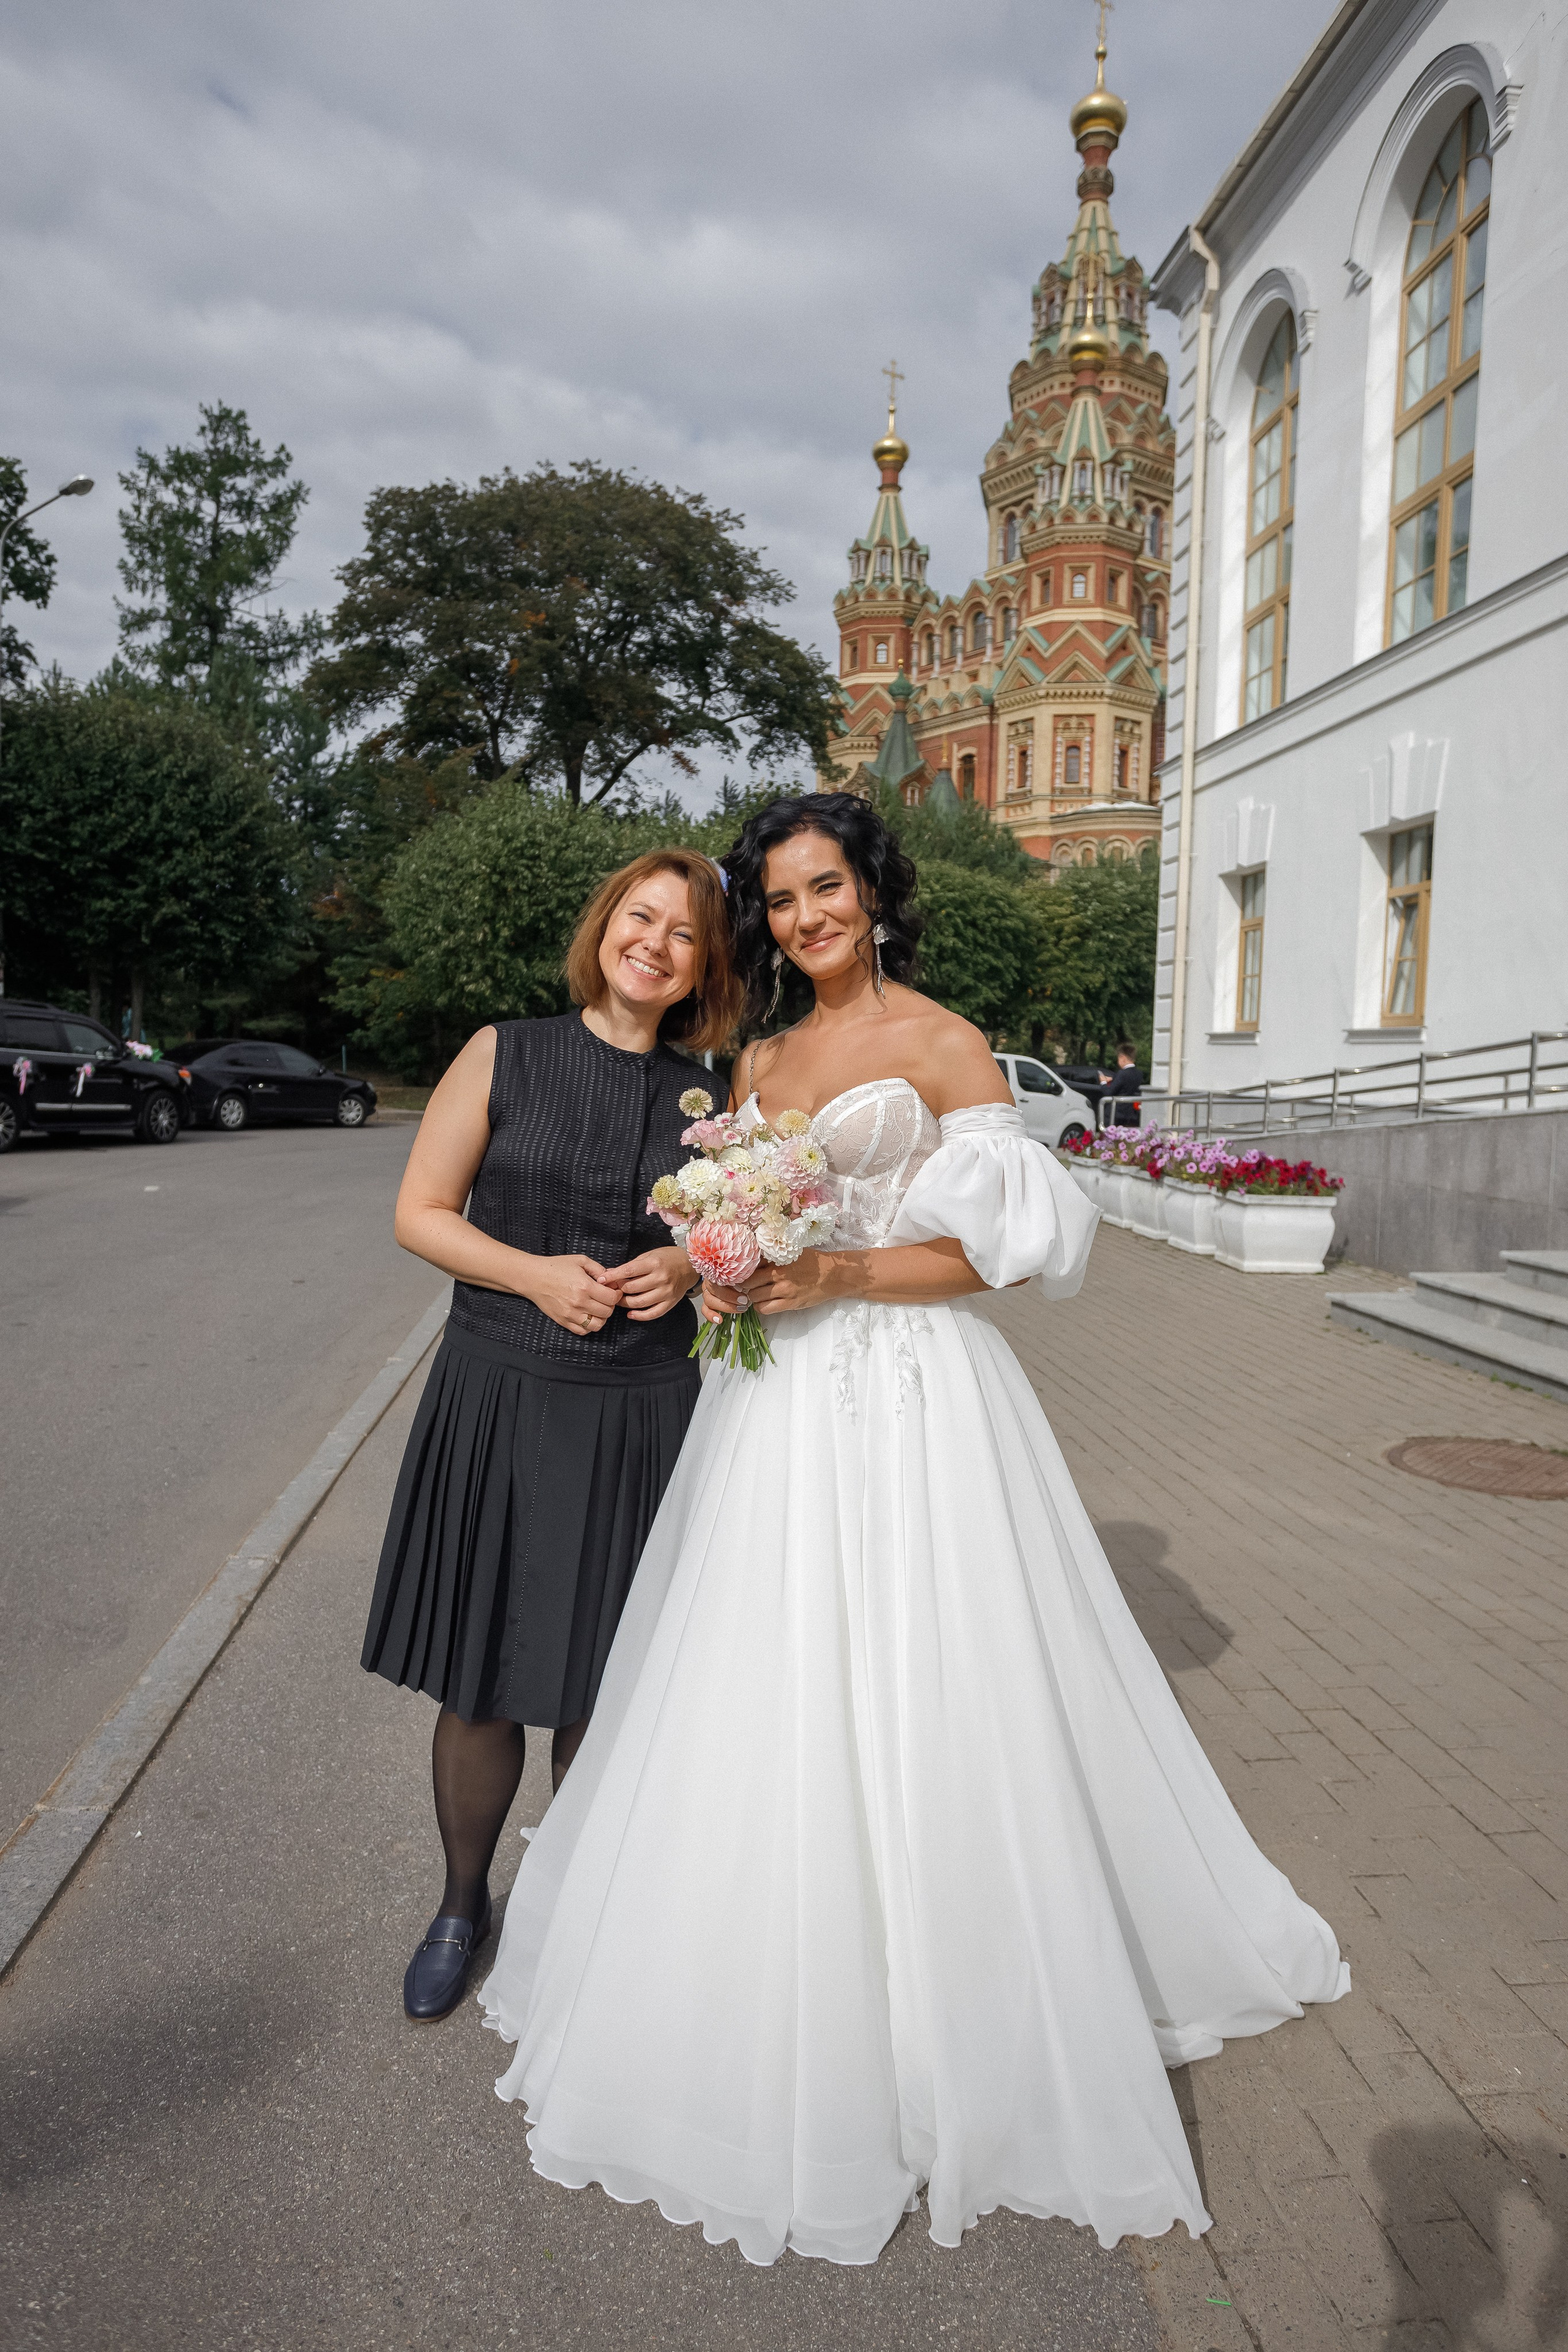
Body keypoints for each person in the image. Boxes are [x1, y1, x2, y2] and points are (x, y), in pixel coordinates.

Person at [479, 794, 1348, 2264]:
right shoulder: (752, 1054)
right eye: (780, 897)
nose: (805, 915)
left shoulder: (942, 1042)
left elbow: (1001, 1259)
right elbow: (735, 1234)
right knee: (768, 1678)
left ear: (871, 891)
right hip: (771, 1412)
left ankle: (967, 2008)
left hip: (915, 1393)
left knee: (939, 1668)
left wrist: (835, 1277)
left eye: (825, 887)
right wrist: (711, 1272)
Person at [362, 850, 741, 2021]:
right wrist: (532, 1276)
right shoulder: (504, 1050)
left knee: (603, 1692)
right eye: (642, 918)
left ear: (702, 965)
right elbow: (419, 1214)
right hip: (504, 1395)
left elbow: (734, 1245)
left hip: (644, 1411)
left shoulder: (716, 1095)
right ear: (606, 927)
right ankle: (461, 1903)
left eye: (684, 934)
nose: (656, 945)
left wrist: (687, 1261)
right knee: (482, 1680)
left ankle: (575, 1910)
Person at [1099, 1042, 1144, 1127]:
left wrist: (1103, 1082)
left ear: (1123, 1058)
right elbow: (1127, 1082)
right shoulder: (1139, 1073)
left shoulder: (1122, 1074)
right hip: (1130, 1113)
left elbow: (1109, 1092)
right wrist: (1113, 1079)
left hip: (1116, 1113)